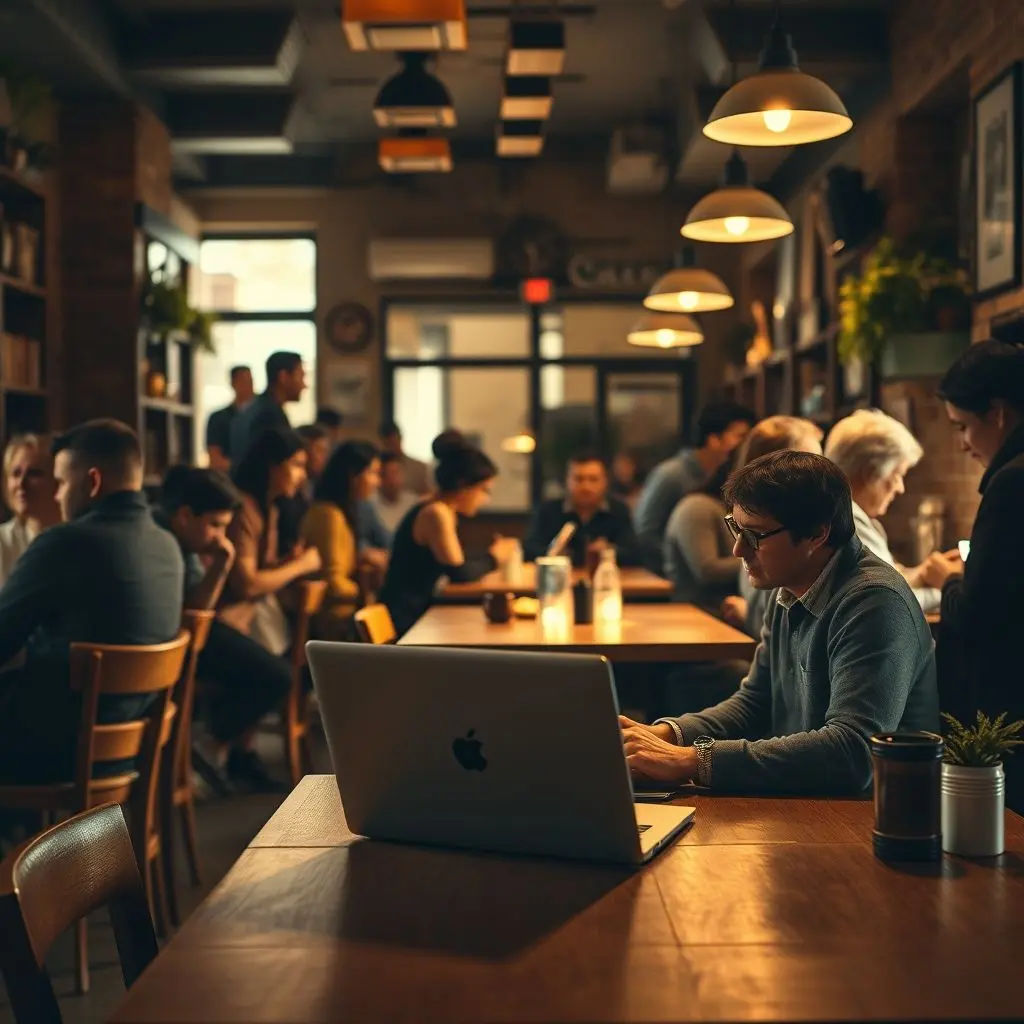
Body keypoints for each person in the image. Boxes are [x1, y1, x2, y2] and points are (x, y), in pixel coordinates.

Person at [620, 450, 938, 794]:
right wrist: (664, 736)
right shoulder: (790, 585)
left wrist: (690, 760)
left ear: (817, 534)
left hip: (870, 820)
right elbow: (756, 702)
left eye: (755, 535)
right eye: (735, 529)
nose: (738, 550)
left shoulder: (875, 602)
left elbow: (852, 752)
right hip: (811, 804)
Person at [0, 420, 184, 783]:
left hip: (58, 749)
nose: (57, 496)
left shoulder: (65, 543)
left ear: (94, 482)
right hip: (132, 744)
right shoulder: (168, 545)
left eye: (63, 483)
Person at [927, 341, 1024, 811]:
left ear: (999, 414)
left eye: (964, 426)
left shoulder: (1012, 483)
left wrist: (949, 578)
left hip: (1008, 710)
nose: (963, 443)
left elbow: (977, 613)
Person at [155, 467, 291, 793]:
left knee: (272, 665)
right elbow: (195, 615)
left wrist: (220, 565)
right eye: (215, 525)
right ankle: (210, 740)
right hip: (172, 643)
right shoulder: (161, 542)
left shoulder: (185, 542)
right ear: (185, 516)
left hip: (189, 635)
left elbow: (197, 610)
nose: (220, 536)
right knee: (277, 674)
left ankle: (217, 743)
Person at [379, 434, 519, 637]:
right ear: (464, 486)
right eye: (484, 490)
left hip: (417, 616)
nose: (485, 500)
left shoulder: (438, 508)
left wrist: (490, 554)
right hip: (407, 622)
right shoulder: (436, 513)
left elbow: (458, 562)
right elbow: (460, 573)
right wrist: (495, 556)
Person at [825, 409, 948, 613]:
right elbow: (887, 598)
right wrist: (949, 591)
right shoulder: (848, 522)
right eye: (898, 474)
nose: (901, 488)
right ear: (871, 474)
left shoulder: (847, 515)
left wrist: (923, 573)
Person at [719, 416, 824, 637]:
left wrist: (747, 613)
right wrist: (749, 615)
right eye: (812, 461)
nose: (822, 472)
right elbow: (776, 632)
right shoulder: (775, 531)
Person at [221, 427, 322, 657]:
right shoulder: (244, 509)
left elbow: (261, 572)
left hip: (251, 616)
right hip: (229, 619)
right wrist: (301, 565)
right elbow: (248, 585)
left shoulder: (270, 507)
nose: (303, 476)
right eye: (296, 465)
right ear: (272, 465)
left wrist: (285, 562)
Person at [633, 402, 756, 575]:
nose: (745, 444)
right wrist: (678, 561)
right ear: (714, 439)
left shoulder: (725, 475)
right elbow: (645, 532)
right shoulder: (671, 475)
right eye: (740, 436)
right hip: (670, 581)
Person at [301, 442, 381, 640]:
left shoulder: (339, 512)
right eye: (372, 473)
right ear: (352, 476)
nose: (376, 481)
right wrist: (368, 592)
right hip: (335, 626)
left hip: (343, 619)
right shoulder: (329, 515)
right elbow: (333, 583)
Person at [523, 450, 640, 567]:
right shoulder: (548, 511)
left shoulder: (618, 510)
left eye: (593, 479)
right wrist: (554, 553)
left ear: (605, 482)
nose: (586, 487)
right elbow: (528, 549)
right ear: (567, 481)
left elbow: (635, 553)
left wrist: (609, 552)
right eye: (578, 479)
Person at [662, 458, 738, 609]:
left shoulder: (720, 508)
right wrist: (761, 560)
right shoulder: (697, 507)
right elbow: (707, 570)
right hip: (698, 613)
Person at [0, 433, 60, 585]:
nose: (21, 483)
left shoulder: (79, 539)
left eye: (34, 473)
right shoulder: (3, 542)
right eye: (15, 473)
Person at [229, 352, 306, 462]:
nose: (304, 385)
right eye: (300, 376)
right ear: (283, 377)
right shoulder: (270, 417)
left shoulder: (251, 409)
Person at [277, 424, 330, 558]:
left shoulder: (321, 487)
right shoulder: (284, 491)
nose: (323, 457)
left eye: (325, 451)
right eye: (318, 450)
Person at [205, 365, 254, 472]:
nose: (249, 387)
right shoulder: (218, 418)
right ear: (233, 384)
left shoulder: (259, 417)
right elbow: (215, 459)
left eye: (250, 382)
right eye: (244, 382)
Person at [379, 419, 431, 496]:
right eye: (388, 443)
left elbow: (426, 493)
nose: (392, 446)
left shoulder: (418, 467)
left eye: (394, 441)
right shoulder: (377, 468)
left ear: (400, 438)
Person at [370, 451, 418, 534]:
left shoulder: (414, 503)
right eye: (388, 474)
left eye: (396, 473)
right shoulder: (370, 504)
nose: (393, 480)